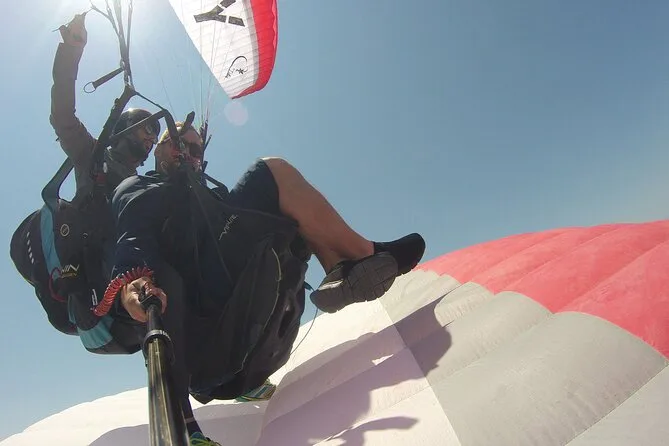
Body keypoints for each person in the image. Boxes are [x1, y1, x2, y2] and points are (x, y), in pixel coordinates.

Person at [101, 121, 425, 444]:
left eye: (196, 149)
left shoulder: (212, 197)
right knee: (268, 173)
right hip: (206, 343)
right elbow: (133, 240)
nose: (188, 152)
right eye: (178, 143)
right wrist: (133, 283)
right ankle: (187, 429)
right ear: (158, 149)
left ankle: (341, 267)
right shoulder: (140, 188)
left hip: (252, 353)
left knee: (280, 213)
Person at [9, 13, 160, 347]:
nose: (151, 138)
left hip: (127, 261)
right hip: (98, 265)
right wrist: (71, 51)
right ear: (125, 129)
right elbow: (62, 116)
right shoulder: (92, 154)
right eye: (147, 129)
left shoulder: (143, 184)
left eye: (155, 135)